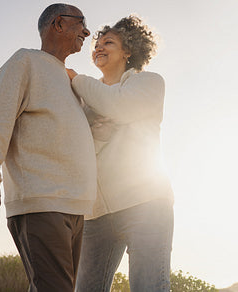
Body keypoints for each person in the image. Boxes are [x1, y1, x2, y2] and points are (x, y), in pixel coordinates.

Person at [0, 4, 96, 291]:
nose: (87, 32)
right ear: (59, 24)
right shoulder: (25, 62)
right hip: (41, 201)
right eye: (81, 23)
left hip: (75, 207)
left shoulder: (71, 79)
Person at [66, 15, 174, 292]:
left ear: (128, 51)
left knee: (149, 287)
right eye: (97, 44)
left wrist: (78, 80)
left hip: (146, 203)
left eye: (108, 43)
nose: (99, 48)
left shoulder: (149, 82)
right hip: (96, 213)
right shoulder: (87, 98)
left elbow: (120, 107)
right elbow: (81, 148)